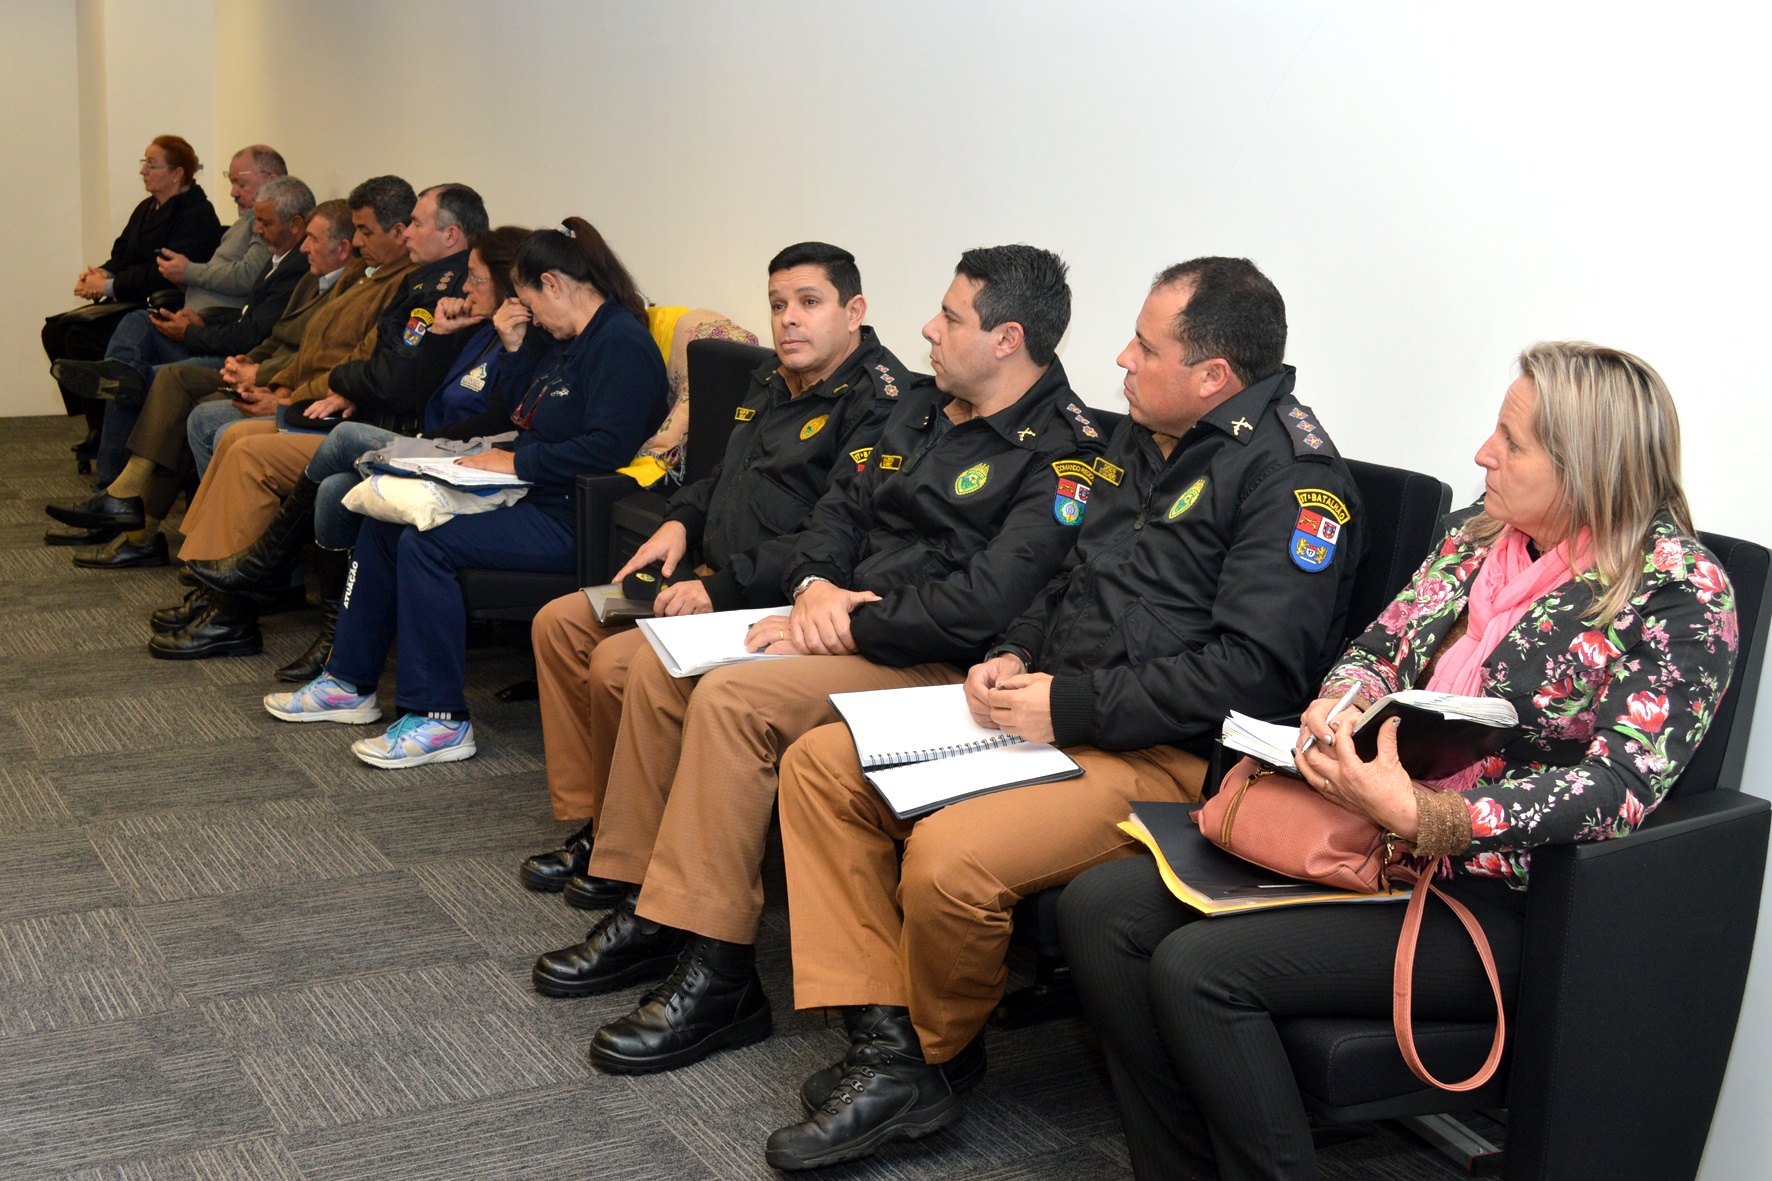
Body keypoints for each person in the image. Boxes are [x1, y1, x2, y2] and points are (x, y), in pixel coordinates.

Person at [1057, 341, 1739, 1181]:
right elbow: (1376, 650)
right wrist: (1341, 704)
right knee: (1101, 909)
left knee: (1201, 970)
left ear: (1588, 465)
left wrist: (1430, 816)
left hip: (1508, 896)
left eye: (1512, 441)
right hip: (1371, 841)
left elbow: (1619, 786)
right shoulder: (1478, 536)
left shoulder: (1680, 590)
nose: (1483, 453)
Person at [760, 257, 1365, 1169]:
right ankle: (890, 1043)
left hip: (1167, 760)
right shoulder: (1146, 438)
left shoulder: (1291, 480)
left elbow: (1256, 677)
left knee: (949, 857)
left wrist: (1071, 701)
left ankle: (932, 1053)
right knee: (820, 765)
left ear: (1213, 376)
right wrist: (1015, 652)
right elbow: (1073, 580)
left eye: (1146, 347)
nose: (1121, 358)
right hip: (1058, 712)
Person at [528, 245, 1106, 1080]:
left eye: (950, 317)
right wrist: (814, 587)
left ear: (1007, 338)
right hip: (842, 625)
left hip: (937, 660)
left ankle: (720, 972)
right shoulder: (924, 408)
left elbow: (988, 600)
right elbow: (838, 512)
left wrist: (844, 623)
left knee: (732, 700)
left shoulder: (1066, 452)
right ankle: (659, 911)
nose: (928, 328)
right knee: (653, 662)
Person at [518, 242, 906, 899]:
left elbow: (838, 534)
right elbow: (723, 474)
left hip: (764, 595)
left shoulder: (882, 403)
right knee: (562, 623)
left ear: (854, 311)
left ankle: (628, 846)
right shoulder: (773, 376)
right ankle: (600, 819)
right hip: (705, 569)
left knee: (618, 664)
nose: (788, 319)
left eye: (809, 302)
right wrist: (679, 521)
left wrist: (717, 588)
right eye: (778, 304)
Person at [262, 217, 670, 769]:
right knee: (386, 519)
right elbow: (525, 412)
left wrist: (517, 460)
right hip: (529, 493)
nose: (530, 316)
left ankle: (440, 719)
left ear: (552, 285)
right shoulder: (568, 341)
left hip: (574, 516)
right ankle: (348, 683)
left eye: (529, 302)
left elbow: (606, 450)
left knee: (427, 543)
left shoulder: (621, 345)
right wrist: (515, 347)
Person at [181, 223, 534, 684]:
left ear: (508, 285)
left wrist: (427, 442)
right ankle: (334, 637)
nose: (465, 288)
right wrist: (440, 335)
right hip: (434, 447)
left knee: (345, 437)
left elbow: (500, 421)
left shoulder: (522, 340)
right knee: (333, 490)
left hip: (461, 459)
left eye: (476, 279)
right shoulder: (475, 328)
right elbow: (424, 395)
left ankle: (262, 562)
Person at [45, 201, 356, 555]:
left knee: (169, 390)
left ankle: (129, 511)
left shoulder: (341, 286)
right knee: (140, 358)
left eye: (312, 239)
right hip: (253, 360)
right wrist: (247, 360)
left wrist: (259, 372)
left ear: (342, 248)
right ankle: (126, 508)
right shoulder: (311, 278)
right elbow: (276, 334)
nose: (304, 247)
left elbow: (314, 357)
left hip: (279, 381)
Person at [41, 135, 223, 460]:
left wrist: (109, 286)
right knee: (54, 332)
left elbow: (162, 273)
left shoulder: (197, 214)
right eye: (144, 163)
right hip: (129, 295)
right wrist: (100, 275)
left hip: (160, 304)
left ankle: (109, 432)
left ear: (177, 173)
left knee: (80, 339)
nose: (143, 171)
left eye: (151, 165)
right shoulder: (146, 208)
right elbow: (122, 253)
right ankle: (96, 424)